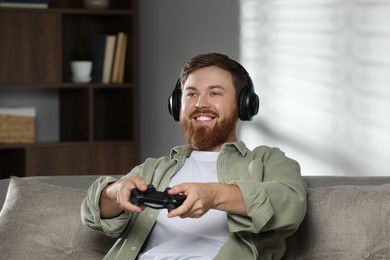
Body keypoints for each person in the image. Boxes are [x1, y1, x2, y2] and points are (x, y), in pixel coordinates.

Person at [81, 53, 307, 260]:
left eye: (214, 93)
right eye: (191, 94)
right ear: (177, 105)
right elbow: (92, 214)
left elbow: (291, 206)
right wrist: (114, 193)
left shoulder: (267, 161)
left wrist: (213, 195)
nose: (200, 104)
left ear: (243, 104)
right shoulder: (154, 169)